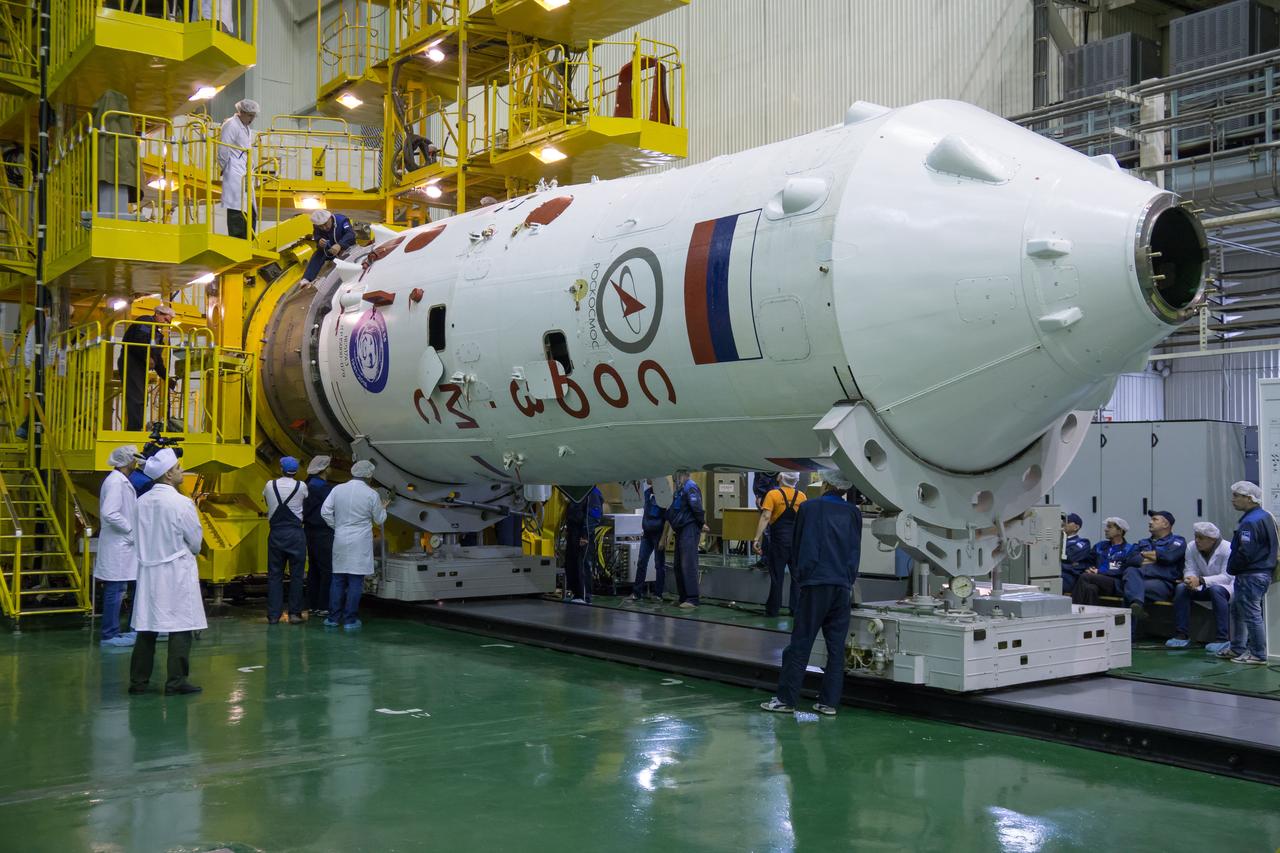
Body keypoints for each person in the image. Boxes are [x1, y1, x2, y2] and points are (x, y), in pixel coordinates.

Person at [761, 471, 862, 716]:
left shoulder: (809, 508)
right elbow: (855, 549)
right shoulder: (854, 513)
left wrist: (801, 576)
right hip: (842, 585)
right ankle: (829, 703)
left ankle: (787, 700)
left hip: (815, 583)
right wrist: (848, 580)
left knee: (801, 642)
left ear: (826, 483)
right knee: (836, 647)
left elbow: (797, 545)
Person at [129, 449, 205, 695]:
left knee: (147, 626)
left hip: (149, 571)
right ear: (169, 474)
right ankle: (176, 682)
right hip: (176, 572)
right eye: (179, 468)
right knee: (181, 625)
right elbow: (195, 541)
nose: (182, 471)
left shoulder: (141, 502)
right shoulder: (181, 503)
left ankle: (139, 682)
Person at [321, 460, 389, 630]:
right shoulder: (371, 494)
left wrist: (337, 525)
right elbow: (379, 519)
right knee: (355, 581)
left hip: (340, 538)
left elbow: (325, 512)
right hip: (360, 541)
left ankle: (333, 618)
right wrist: (384, 508)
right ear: (369, 475)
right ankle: (350, 620)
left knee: (337, 580)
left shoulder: (338, 489)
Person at [1217, 481, 1277, 664]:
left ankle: (1257, 654)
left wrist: (1232, 568)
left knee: (1251, 614)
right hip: (1260, 572)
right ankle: (1237, 648)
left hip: (1251, 574)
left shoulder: (1250, 522)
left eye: (1236, 496)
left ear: (1249, 498)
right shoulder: (1265, 516)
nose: (1232, 500)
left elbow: (1245, 552)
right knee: (1237, 609)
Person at [96, 445, 143, 647]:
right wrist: (130, 530)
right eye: (135, 459)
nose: (137, 463)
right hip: (118, 545)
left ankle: (115, 632)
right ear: (127, 461)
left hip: (121, 546)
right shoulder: (116, 483)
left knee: (119, 589)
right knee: (115, 590)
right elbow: (110, 513)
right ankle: (109, 634)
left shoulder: (121, 481)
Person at [1166, 521, 1232, 652]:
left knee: (1216, 590)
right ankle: (1181, 634)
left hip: (1226, 587)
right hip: (1202, 586)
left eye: (1200, 538)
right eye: (1195, 536)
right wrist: (1189, 579)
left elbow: (1227, 577)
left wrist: (1201, 580)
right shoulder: (1191, 547)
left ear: (1212, 539)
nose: (1196, 540)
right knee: (1181, 589)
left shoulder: (1227, 548)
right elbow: (1190, 569)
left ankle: (1222, 638)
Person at [752, 471, 808, 617]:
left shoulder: (773, 495)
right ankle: (795, 609)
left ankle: (773, 610)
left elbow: (765, 516)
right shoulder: (801, 496)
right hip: (796, 544)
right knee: (796, 578)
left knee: (777, 577)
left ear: (781, 477)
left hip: (778, 544)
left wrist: (756, 538)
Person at [263, 456, 308, 625]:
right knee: (297, 575)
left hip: (276, 534)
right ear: (295, 471)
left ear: (281, 469)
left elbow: (268, 501)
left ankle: (274, 615)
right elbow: (305, 500)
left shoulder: (270, 485)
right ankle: (295, 614)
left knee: (275, 575)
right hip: (296, 535)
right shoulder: (301, 486)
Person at [118, 304, 174, 431]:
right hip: (131, 362)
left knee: (141, 398)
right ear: (157, 314)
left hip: (139, 365)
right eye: (165, 319)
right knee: (136, 397)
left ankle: (135, 428)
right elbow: (139, 340)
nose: (166, 323)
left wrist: (166, 377)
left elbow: (157, 360)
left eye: (169, 322)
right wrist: (146, 356)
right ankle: (134, 430)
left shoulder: (157, 334)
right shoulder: (146, 322)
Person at [1123, 511, 1187, 618]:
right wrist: (1152, 557)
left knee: (1130, 590)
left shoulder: (1177, 540)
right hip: (1140, 579)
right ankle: (1137, 605)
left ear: (1166, 524)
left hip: (1162, 583)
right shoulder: (1143, 542)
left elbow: (1169, 557)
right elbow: (1129, 560)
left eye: (1155, 519)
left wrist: (1142, 554)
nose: (1150, 522)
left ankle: (1130, 632)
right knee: (1130, 571)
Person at [1070, 517, 1138, 607]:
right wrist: (1089, 568)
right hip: (1097, 580)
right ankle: (1092, 618)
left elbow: (1124, 571)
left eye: (1109, 527)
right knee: (1090, 588)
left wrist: (1099, 572)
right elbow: (1088, 561)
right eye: (1106, 527)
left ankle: (1072, 611)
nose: (1106, 530)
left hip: (1115, 583)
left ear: (1120, 531)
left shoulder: (1129, 549)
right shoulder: (1100, 546)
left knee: (1085, 577)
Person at [667, 469, 707, 609]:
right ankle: (683, 597)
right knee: (678, 565)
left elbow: (696, 508)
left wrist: (701, 524)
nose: (674, 477)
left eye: (676, 474)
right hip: (680, 530)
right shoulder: (680, 489)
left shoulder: (690, 486)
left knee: (688, 564)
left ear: (683, 474)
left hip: (689, 528)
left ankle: (692, 599)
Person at [218, 99, 258, 239]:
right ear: (241, 112)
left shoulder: (246, 127)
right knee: (237, 205)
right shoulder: (231, 124)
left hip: (244, 171)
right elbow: (223, 148)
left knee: (249, 207)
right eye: (250, 115)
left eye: (254, 116)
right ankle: (238, 238)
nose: (252, 119)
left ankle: (249, 238)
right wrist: (226, 168)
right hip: (234, 170)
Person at [303, 455, 336, 616]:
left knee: (314, 568)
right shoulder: (324, 489)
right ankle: (324, 605)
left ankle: (312, 604)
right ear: (324, 469)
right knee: (327, 569)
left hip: (309, 532)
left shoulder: (307, 485)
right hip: (324, 532)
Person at [562, 486, 603, 603]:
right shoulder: (579, 492)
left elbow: (594, 516)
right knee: (571, 564)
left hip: (582, 533)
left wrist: (585, 535)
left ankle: (584, 595)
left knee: (583, 564)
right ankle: (575, 593)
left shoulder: (593, 493)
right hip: (573, 532)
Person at [629, 479, 667, 602]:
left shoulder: (663, 495)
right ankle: (637, 592)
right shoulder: (646, 493)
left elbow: (667, 519)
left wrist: (663, 538)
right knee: (641, 562)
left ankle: (658, 594)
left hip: (658, 534)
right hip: (646, 534)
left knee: (659, 564)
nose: (648, 479)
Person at [298, 209, 357, 288]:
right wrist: (319, 241)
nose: (324, 228)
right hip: (330, 249)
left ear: (330, 218)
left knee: (344, 260)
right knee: (318, 254)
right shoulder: (317, 225)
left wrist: (340, 245)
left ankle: (336, 281)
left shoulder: (342, 221)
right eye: (321, 226)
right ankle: (306, 279)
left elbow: (350, 234)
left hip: (345, 247)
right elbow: (317, 236)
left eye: (325, 224)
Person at [750, 471, 779, 568]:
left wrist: (760, 494)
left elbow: (765, 474)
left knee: (767, 528)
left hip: (769, 493)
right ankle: (770, 560)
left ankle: (767, 560)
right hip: (778, 492)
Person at [1060, 512, 1092, 595]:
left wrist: (1061, 563)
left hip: (1069, 577)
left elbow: (1070, 556)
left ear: (1076, 527)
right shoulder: (1056, 540)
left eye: (1067, 521)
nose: (1063, 523)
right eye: (1063, 521)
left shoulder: (1083, 542)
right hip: (1057, 573)